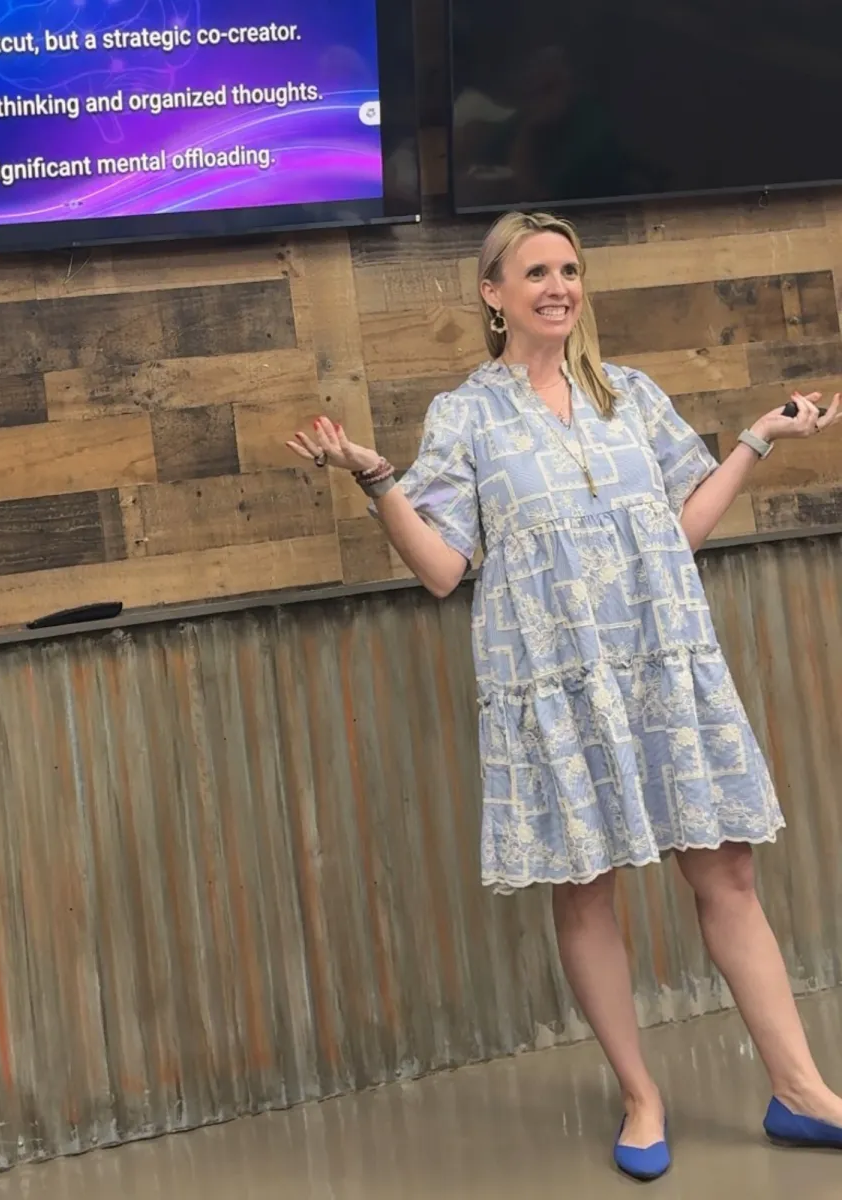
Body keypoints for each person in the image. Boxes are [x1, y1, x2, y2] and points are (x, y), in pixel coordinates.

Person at [286, 210, 842, 1182]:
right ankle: (640, 1094)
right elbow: (442, 570)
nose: (559, 286)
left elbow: (682, 528)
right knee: (587, 889)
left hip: (663, 663)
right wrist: (377, 481)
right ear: (493, 295)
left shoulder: (631, 392)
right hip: (556, 682)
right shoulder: (465, 416)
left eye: (570, 269)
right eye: (536, 270)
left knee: (730, 874)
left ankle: (800, 1090)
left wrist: (760, 436)